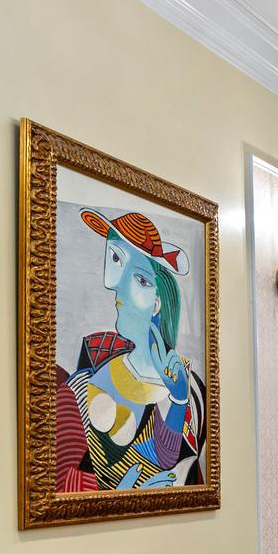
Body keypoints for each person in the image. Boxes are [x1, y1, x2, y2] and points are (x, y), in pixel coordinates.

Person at [53, 206, 207, 492]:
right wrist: (119, 493)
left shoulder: (187, 386)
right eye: (116, 262)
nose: (119, 290)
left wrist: (178, 400)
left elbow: (170, 459)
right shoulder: (86, 380)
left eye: (140, 280)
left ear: (158, 303)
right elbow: (65, 478)